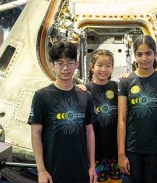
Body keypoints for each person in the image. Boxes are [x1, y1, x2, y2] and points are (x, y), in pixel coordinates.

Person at [29, 41, 97, 183]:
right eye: (60, 63)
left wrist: (92, 166)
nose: (65, 68)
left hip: (82, 169)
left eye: (70, 63)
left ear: (76, 64)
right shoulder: (41, 96)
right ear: (52, 65)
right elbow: (36, 134)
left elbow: (89, 132)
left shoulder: (86, 96)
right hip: (53, 171)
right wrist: (41, 170)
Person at [117, 35, 157, 183]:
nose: (144, 58)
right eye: (139, 54)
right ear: (134, 56)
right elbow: (122, 120)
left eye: (148, 53)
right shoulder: (126, 82)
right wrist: (121, 154)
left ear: (155, 54)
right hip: (133, 149)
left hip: (156, 150)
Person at [85, 49, 123, 183]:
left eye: (108, 66)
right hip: (96, 154)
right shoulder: (85, 90)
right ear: (92, 67)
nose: (103, 69)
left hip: (116, 152)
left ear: (112, 68)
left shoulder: (117, 87)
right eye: (99, 65)